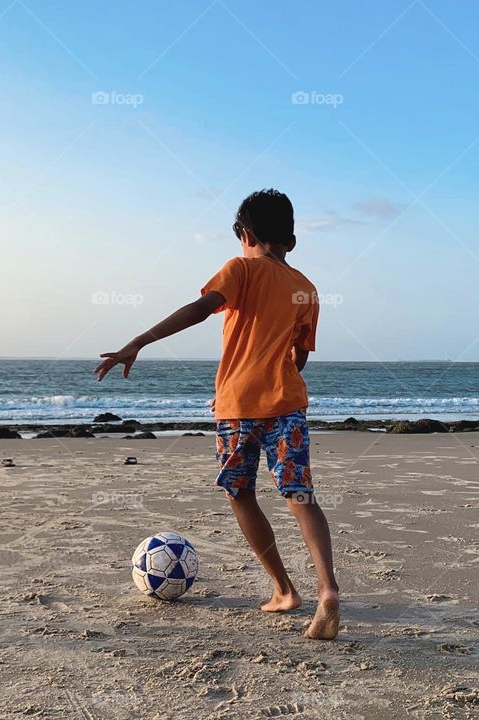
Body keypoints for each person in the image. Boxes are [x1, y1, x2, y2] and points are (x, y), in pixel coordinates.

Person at [95, 189, 339, 640]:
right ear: (292, 239)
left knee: (239, 492)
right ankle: (327, 590)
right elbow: (299, 358)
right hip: (288, 404)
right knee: (300, 496)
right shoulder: (306, 288)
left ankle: (285, 590)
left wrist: (139, 342)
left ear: (245, 234)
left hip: (237, 407)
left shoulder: (240, 268)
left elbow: (200, 309)